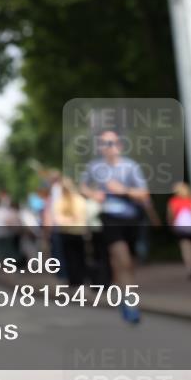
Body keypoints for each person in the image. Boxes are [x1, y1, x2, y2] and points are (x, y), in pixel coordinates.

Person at [80, 129, 149, 324]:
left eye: (110, 143)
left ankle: (123, 293)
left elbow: (144, 194)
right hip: (109, 218)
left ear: (119, 145)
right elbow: (83, 187)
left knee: (126, 264)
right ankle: (131, 304)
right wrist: (92, 194)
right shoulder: (95, 167)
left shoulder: (130, 167)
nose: (106, 148)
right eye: (103, 144)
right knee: (122, 258)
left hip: (131, 219)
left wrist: (123, 191)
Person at [51, 177, 88, 287]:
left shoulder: (62, 201)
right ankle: (78, 280)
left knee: (70, 258)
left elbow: (59, 219)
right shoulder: (78, 200)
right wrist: (73, 219)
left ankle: (74, 281)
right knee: (78, 257)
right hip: (76, 232)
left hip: (68, 232)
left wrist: (67, 220)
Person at [167, 182, 191, 280]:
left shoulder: (173, 201)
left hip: (181, 227)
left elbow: (171, 215)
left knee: (186, 247)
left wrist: (171, 225)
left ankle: (190, 268)